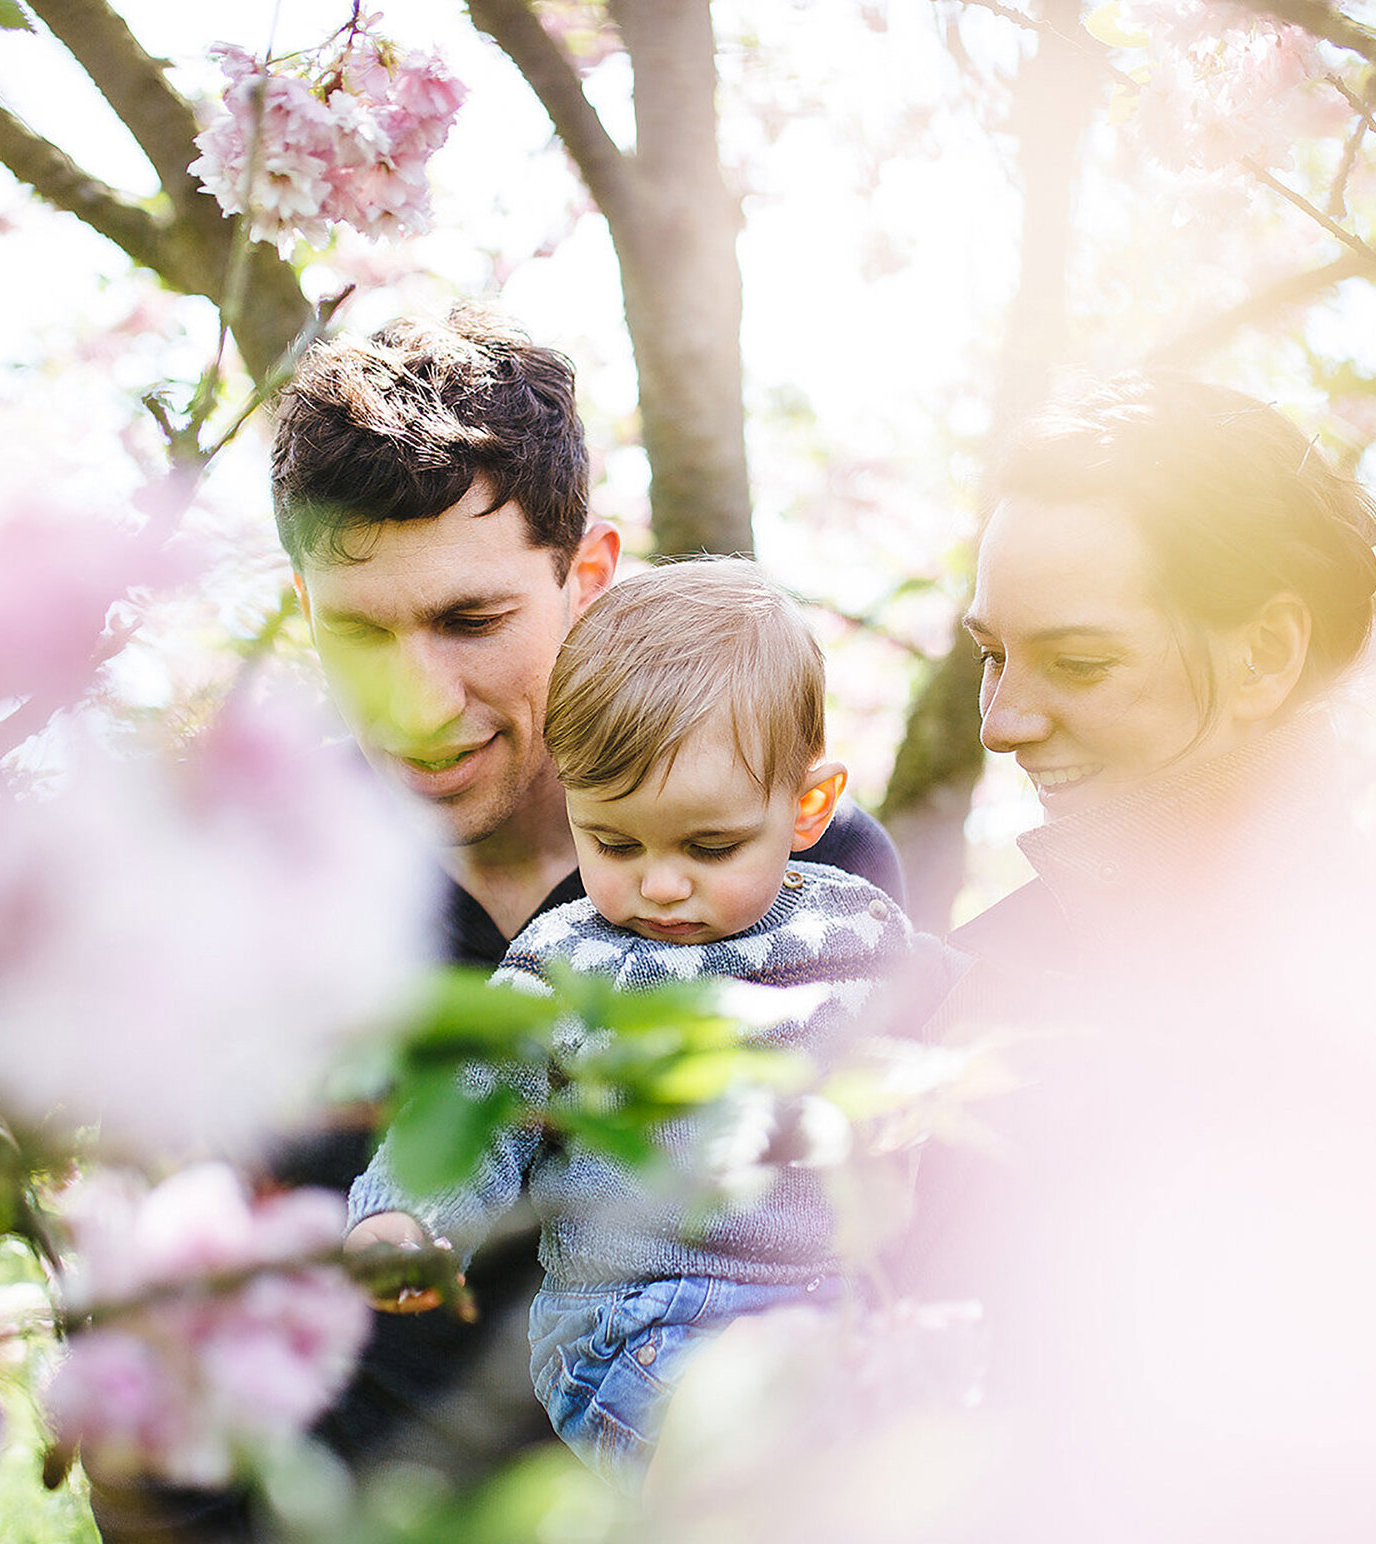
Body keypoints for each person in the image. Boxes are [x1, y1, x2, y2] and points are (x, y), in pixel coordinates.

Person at [91, 307, 904, 1544]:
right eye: (361, 631)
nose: (421, 695)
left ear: (588, 571)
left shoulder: (805, 875)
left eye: (473, 619)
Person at [340, 561, 942, 1481]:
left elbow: (951, 1020)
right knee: (737, 1496)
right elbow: (471, 1104)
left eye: (711, 846)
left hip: (833, 1307)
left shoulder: (856, 925)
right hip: (646, 1327)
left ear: (809, 806)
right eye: (614, 843)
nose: (660, 884)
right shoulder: (567, 964)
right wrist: (406, 1221)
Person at [945, 373, 1376, 1008]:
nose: (1000, 727)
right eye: (992, 655)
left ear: (1264, 655)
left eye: (1078, 662)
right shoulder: (979, 986)